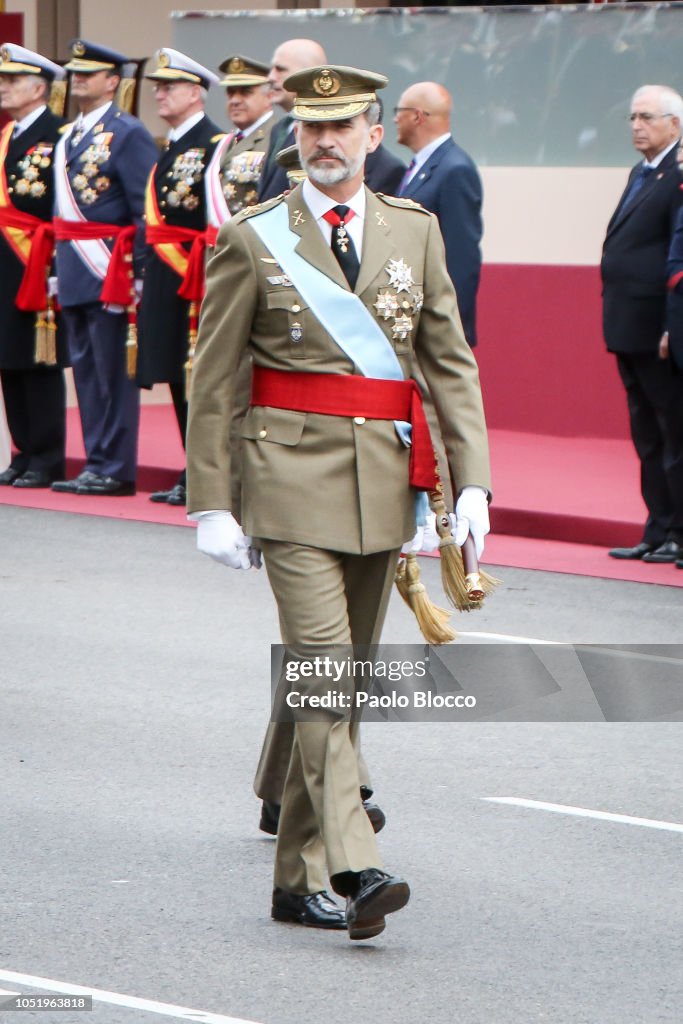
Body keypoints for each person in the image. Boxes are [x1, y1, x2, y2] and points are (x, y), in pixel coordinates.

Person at [186, 65, 491, 940]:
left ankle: (293, 883)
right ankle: (354, 864)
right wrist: (212, 500)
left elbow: (448, 362)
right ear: (296, 139)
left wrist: (469, 482)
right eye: (310, 129)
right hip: (284, 482)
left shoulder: (413, 230)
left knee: (343, 682)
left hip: (381, 485)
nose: (325, 143)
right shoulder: (254, 237)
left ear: (369, 135)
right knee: (323, 671)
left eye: (342, 127)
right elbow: (213, 381)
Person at [51, 40, 158, 497]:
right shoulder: (68, 135)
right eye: (75, 72)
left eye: (89, 73)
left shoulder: (127, 132)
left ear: (113, 81)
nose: (79, 79)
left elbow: (143, 209)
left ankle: (115, 466)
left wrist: (139, 273)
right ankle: (95, 460)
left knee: (112, 372)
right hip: (75, 267)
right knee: (87, 371)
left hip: (110, 267)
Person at [135, 48, 221, 508]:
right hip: (167, 276)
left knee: (198, 379)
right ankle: (192, 467)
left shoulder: (214, 144)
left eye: (168, 87)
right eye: (157, 87)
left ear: (195, 92)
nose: (160, 94)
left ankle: (202, 473)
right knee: (173, 371)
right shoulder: (169, 147)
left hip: (196, 277)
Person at [602, 84, 683, 564]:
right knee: (647, 435)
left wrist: (672, 326)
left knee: (674, 434)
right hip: (628, 326)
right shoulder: (642, 172)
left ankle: (677, 529)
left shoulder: (676, 177)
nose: (637, 126)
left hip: (659, 330)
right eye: (633, 117)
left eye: (647, 117)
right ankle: (656, 528)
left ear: (674, 124)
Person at [0, 44, 67, 489]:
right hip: (6, 258)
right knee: (8, 357)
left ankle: (47, 454)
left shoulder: (59, 134)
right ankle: (22, 449)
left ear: (39, 87)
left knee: (38, 360)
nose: (3, 87)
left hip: (38, 259)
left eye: (12, 80)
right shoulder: (6, 135)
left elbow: (66, 204)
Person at [394, 81, 483, 349]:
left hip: (436, 322)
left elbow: (461, 256)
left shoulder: (454, 169)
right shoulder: (423, 165)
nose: (395, 119)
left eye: (399, 111)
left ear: (417, 116)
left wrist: (452, 329)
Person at [257, 38, 327, 203]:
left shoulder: (323, 129)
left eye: (280, 69)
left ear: (309, 75)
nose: (271, 77)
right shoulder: (280, 128)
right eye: (272, 69)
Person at [213, 55, 274, 218]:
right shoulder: (225, 141)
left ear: (269, 97)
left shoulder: (276, 139)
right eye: (231, 93)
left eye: (246, 92)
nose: (235, 100)